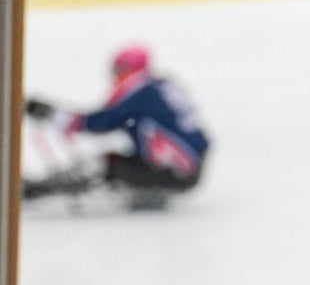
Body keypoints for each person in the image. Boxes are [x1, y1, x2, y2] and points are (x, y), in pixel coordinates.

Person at [25, 44, 210, 204]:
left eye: (119, 69)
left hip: (174, 172)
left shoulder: (138, 91)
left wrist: (49, 113)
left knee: (106, 164)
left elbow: (95, 123)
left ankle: (38, 190)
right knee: (115, 161)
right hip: (187, 168)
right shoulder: (158, 86)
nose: (115, 75)